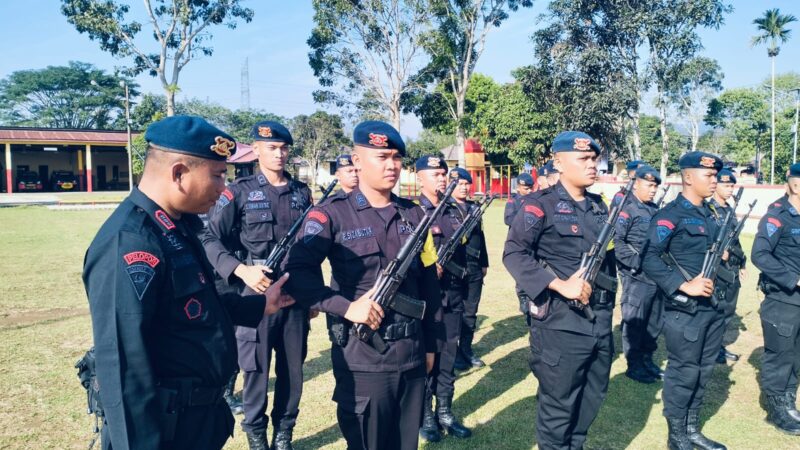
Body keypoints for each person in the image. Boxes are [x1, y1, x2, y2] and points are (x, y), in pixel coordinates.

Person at [83, 115, 294, 450]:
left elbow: (198, 306)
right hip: (164, 431)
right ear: (179, 173)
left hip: (194, 421)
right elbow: (123, 368)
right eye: (217, 175)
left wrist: (259, 305)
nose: (224, 187)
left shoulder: (178, 227)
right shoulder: (131, 242)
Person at [283, 120, 442, 450]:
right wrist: (347, 307)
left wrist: (430, 345)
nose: (391, 165)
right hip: (364, 358)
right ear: (356, 160)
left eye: (397, 157)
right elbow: (298, 273)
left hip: (411, 353)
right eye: (381, 156)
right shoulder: (331, 215)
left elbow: (428, 284)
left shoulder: (414, 216)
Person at [201, 121, 312, 450]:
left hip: (293, 298)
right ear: (258, 150)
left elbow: (310, 248)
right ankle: (257, 437)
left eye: (283, 148)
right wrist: (241, 271)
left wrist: (314, 296)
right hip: (256, 299)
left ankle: (284, 434)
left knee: (292, 371)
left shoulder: (302, 193)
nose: (278, 154)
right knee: (256, 371)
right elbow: (208, 238)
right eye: (271, 148)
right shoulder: (239, 191)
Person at [503, 131, 616, 450]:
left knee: (591, 398)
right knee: (558, 411)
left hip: (599, 322)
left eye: (594, 158)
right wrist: (559, 285)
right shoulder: (539, 205)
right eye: (583, 159)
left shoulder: (599, 207)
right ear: (559, 163)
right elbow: (514, 253)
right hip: (560, 325)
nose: (592, 164)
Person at [641, 151, 727, 450]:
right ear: (688, 177)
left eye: (716, 175)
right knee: (684, 371)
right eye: (709, 176)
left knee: (703, 370)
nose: (714, 180)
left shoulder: (713, 214)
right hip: (684, 310)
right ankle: (677, 435)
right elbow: (648, 258)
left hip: (713, 308)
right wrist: (682, 284)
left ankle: (691, 429)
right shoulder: (670, 215)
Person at [416, 159, 473, 442]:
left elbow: (462, 253)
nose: (442, 178)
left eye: (443, 174)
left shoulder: (454, 210)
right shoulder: (413, 211)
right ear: (419, 178)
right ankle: (426, 415)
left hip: (452, 295)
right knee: (428, 359)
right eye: (435, 174)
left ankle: (445, 411)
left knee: (448, 358)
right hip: (427, 300)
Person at [751, 163, 800, 435]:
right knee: (780, 356)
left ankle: (788, 401)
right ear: (794, 184)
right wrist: (794, 280)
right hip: (782, 299)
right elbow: (760, 255)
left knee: (795, 356)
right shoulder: (777, 215)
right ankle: (776, 410)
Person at [614, 165, 664, 384]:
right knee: (635, 320)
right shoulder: (626, 208)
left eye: (655, 186)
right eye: (649, 185)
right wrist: (636, 263)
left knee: (654, 320)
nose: (653, 190)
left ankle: (647, 359)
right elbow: (617, 241)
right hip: (636, 276)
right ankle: (634, 365)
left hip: (656, 275)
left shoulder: (654, 209)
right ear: (636, 183)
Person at [708, 169, 746, 365]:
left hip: (730, 269)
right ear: (715, 185)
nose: (730, 189)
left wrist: (742, 262)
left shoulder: (729, 211)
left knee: (728, 310)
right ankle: (711, 349)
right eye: (726, 185)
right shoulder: (708, 210)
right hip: (716, 269)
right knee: (716, 309)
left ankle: (718, 347)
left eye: (732, 185)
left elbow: (736, 241)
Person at [453, 169, 490, 371]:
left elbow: (480, 237)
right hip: (454, 267)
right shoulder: (445, 208)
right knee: (455, 311)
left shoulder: (474, 207)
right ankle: (455, 352)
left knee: (470, 312)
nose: (464, 187)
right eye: (459, 184)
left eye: (467, 184)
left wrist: (484, 263)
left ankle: (466, 349)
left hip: (474, 266)